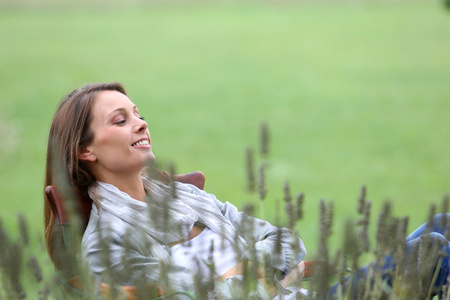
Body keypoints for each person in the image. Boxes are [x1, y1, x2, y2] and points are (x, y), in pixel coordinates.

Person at [44, 82, 450, 299]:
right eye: (120, 120)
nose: (141, 124)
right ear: (85, 150)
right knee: (436, 248)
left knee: (444, 224)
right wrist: (264, 273)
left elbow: (287, 240)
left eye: (139, 114)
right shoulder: (105, 243)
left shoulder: (185, 197)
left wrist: (247, 272)